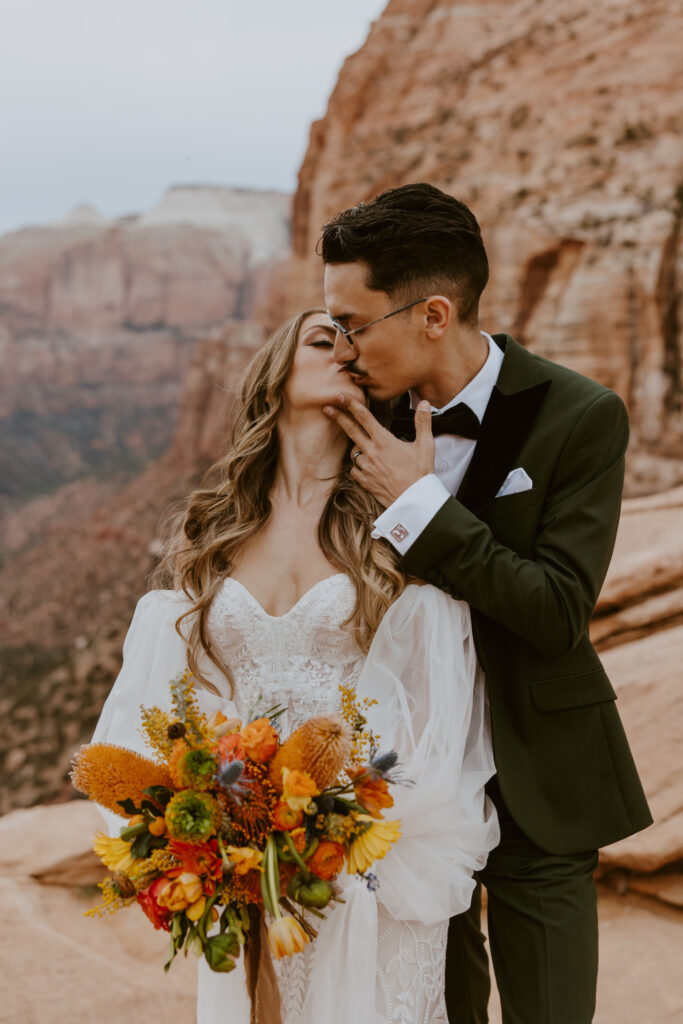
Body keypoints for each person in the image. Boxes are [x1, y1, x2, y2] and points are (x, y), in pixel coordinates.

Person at [91, 309, 500, 1024]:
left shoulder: (388, 528)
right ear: (275, 375)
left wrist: (329, 824)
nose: (346, 348)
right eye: (323, 337)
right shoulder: (216, 535)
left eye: (354, 341)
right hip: (250, 864)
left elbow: (435, 711)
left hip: (363, 859)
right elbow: (176, 707)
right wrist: (221, 828)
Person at [319, 182, 653, 1024]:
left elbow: (554, 608)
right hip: (402, 787)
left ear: (432, 314)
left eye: (353, 325)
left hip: (537, 776)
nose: (343, 350)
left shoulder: (581, 416)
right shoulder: (352, 418)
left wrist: (421, 509)